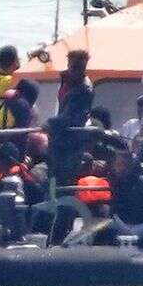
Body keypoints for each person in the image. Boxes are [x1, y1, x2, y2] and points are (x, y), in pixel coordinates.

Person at [48, 49, 94, 188]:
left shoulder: (84, 90)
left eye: (81, 68)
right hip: (59, 138)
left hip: (71, 142)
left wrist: (49, 123)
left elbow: (72, 117)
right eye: (74, 67)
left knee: (64, 179)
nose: (77, 72)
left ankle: (62, 206)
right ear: (68, 65)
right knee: (53, 177)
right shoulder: (66, 82)